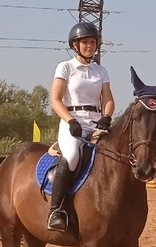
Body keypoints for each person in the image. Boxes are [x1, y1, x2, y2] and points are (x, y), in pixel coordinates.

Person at [47, 22, 115, 232]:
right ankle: (56, 210)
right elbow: (55, 100)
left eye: (92, 42)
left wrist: (106, 117)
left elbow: (109, 100)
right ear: (75, 45)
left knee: (115, 154)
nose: (89, 46)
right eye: (85, 42)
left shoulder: (101, 71)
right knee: (73, 156)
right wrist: (71, 121)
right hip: (72, 120)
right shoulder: (65, 67)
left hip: (96, 121)